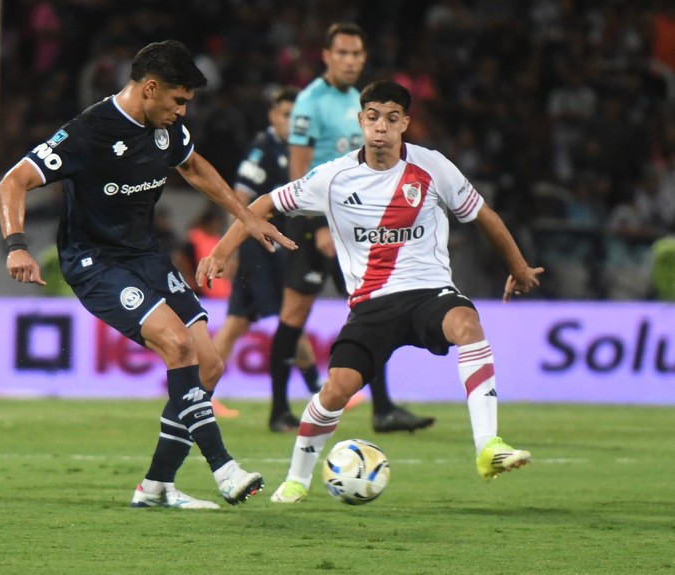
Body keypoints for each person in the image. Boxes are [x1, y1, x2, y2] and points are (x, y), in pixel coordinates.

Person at [197, 80, 542, 503]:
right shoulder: (334, 177)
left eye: (392, 119)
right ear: (361, 121)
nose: (381, 127)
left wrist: (518, 267)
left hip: (429, 292)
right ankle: (297, 479)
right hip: (371, 305)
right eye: (374, 117)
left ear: (405, 124)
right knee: (336, 390)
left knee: (468, 324)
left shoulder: (434, 167)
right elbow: (264, 203)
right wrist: (221, 251)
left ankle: (488, 446)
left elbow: (483, 215)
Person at [0, 40, 295, 509]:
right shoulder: (88, 132)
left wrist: (246, 216)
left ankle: (156, 487)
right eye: (178, 100)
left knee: (209, 365)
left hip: (145, 256)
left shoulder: (166, 129)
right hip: (95, 261)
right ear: (150, 88)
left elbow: (193, 167)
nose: (182, 111)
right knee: (178, 345)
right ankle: (224, 468)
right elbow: (13, 181)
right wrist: (16, 246)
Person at [272, 22, 434, 433]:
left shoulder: (361, 102)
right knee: (294, 313)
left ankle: (383, 409)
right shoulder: (310, 101)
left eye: (357, 53)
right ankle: (278, 411)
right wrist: (317, 226)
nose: (350, 61)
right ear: (326, 56)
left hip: (355, 226)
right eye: (342, 53)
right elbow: (298, 172)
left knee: (373, 310)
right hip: (317, 227)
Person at [209, 86, 325, 432]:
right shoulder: (263, 149)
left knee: (236, 323)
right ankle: (320, 390)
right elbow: (240, 197)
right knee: (289, 319)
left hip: (268, 249)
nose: (292, 122)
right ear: (273, 116)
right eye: (286, 115)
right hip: (260, 250)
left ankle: (200, 395)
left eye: (297, 116)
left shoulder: (298, 150)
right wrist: (229, 248)